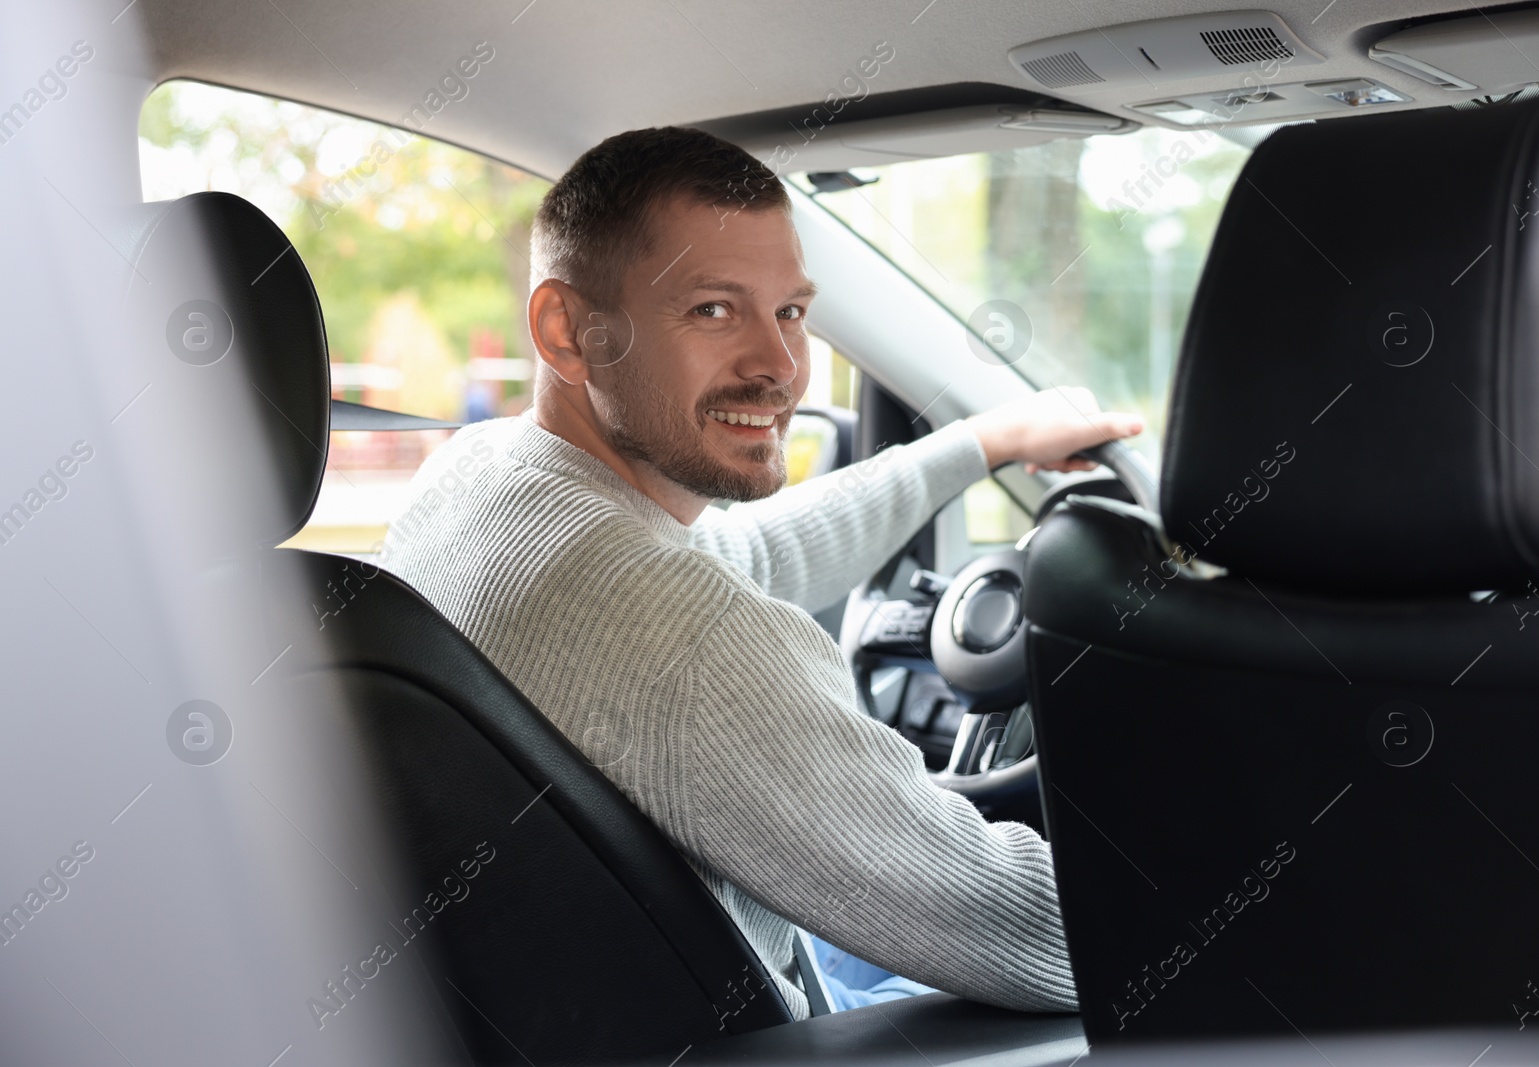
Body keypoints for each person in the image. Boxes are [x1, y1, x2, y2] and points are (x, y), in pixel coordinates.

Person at [380, 126, 1143, 1018]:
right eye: (712, 309)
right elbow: (1039, 933)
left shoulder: (478, 477)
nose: (779, 367)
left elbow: (747, 558)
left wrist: (982, 443)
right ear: (567, 331)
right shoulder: (677, 631)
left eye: (790, 311)